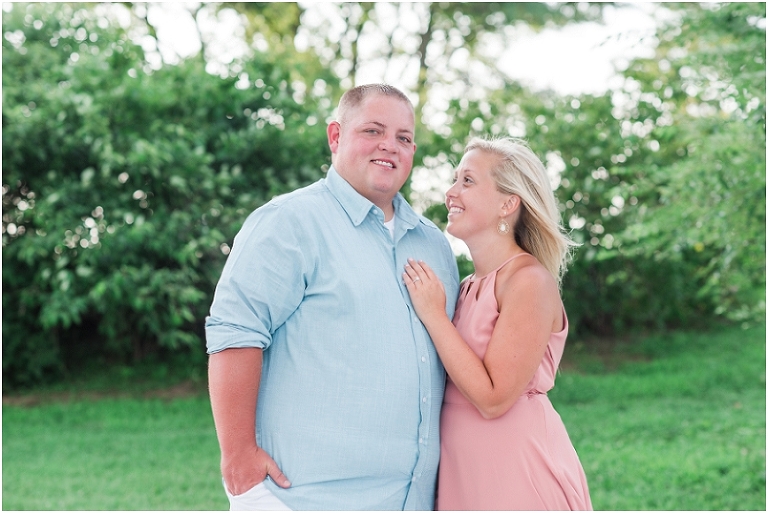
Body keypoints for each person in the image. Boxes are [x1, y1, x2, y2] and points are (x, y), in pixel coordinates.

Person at [205, 84, 460, 511]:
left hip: (412, 501)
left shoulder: (434, 244)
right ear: (336, 136)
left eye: (403, 137)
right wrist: (238, 457)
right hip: (305, 499)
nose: (389, 146)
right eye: (373, 131)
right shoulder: (287, 223)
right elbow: (235, 333)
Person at [402, 136, 592, 510]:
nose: (450, 192)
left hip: (518, 476)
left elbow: (493, 399)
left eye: (468, 181)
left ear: (508, 204)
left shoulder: (528, 281)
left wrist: (434, 315)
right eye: (454, 179)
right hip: (466, 478)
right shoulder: (469, 284)